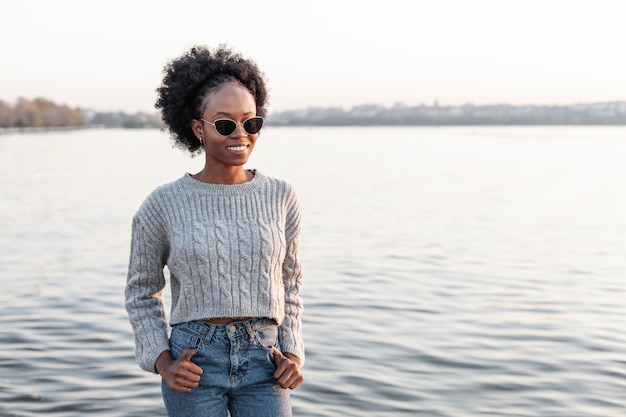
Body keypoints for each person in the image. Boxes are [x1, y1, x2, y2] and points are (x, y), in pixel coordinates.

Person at [125, 45, 304, 417]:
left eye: (251, 122)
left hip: (264, 361)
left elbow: (290, 283)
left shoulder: (281, 196)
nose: (241, 134)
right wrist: (162, 362)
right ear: (198, 129)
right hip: (193, 362)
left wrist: (293, 352)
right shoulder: (162, 205)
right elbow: (141, 291)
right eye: (225, 124)